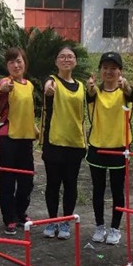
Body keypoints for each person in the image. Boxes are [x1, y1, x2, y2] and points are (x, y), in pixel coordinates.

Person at [86, 52, 133, 245]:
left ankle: (115, 228)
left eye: (113, 68)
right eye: (105, 67)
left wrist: (126, 86)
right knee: (98, 189)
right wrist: (90, 88)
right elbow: (90, 96)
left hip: (119, 147)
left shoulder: (125, 91)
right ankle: (99, 226)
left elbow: (130, 93)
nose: (109, 71)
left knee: (117, 190)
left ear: (120, 71)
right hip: (97, 146)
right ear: (100, 70)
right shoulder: (95, 91)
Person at [41, 46, 86, 240]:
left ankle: (66, 220)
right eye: (62, 57)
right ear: (56, 61)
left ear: (75, 61)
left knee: (70, 184)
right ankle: (52, 220)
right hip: (54, 142)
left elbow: (83, 115)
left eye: (70, 57)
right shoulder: (52, 80)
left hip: (75, 142)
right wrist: (48, 89)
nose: (66, 60)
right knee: (53, 184)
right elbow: (47, 86)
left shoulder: (82, 86)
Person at [0, 47, 36, 235]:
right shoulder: (6, 82)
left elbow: (27, 110)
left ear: (25, 63)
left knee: (27, 180)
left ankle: (21, 212)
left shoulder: (29, 85)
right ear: (7, 66)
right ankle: (9, 218)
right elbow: (1, 88)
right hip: (7, 138)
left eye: (19, 61)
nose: (16, 65)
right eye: (11, 62)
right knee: (7, 181)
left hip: (26, 138)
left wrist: (34, 127)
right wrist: (3, 88)